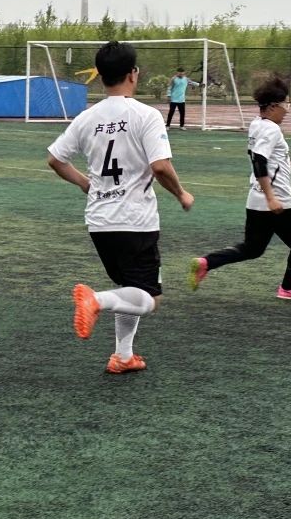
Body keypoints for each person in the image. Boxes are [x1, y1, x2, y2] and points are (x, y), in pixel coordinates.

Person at [47, 41, 194, 373]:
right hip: (136, 221)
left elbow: (55, 160)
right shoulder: (146, 115)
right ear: (133, 74)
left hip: (100, 222)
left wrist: (85, 184)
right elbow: (160, 166)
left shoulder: (87, 118)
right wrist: (182, 194)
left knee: (130, 289)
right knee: (149, 299)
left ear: (100, 76)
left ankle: (123, 356)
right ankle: (96, 300)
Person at [188, 75, 291, 300]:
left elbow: (269, 162)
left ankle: (206, 262)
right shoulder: (272, 130)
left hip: (255, 199)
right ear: (273, 106)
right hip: (277, 201)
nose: (287, 110)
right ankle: (289, 288)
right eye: (286, 105)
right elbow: (259, 161)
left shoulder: (257, 124)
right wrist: (271, 198)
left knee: (252, 249)